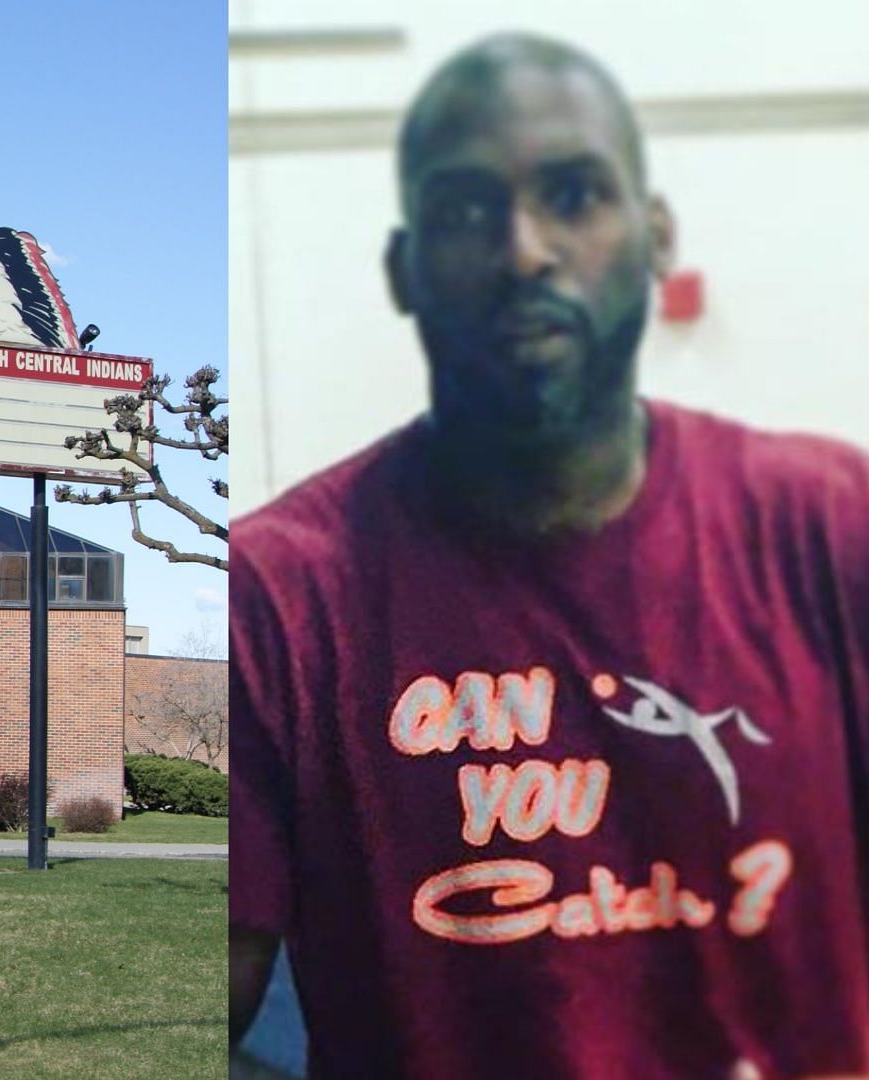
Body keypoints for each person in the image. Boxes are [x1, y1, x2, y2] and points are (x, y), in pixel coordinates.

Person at [227, 31, 869, 1079]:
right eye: (468, 209)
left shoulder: (831, 526)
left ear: (655, 236)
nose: (525, 248)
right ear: (404, 267)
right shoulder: (279, 597)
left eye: (573, 196)